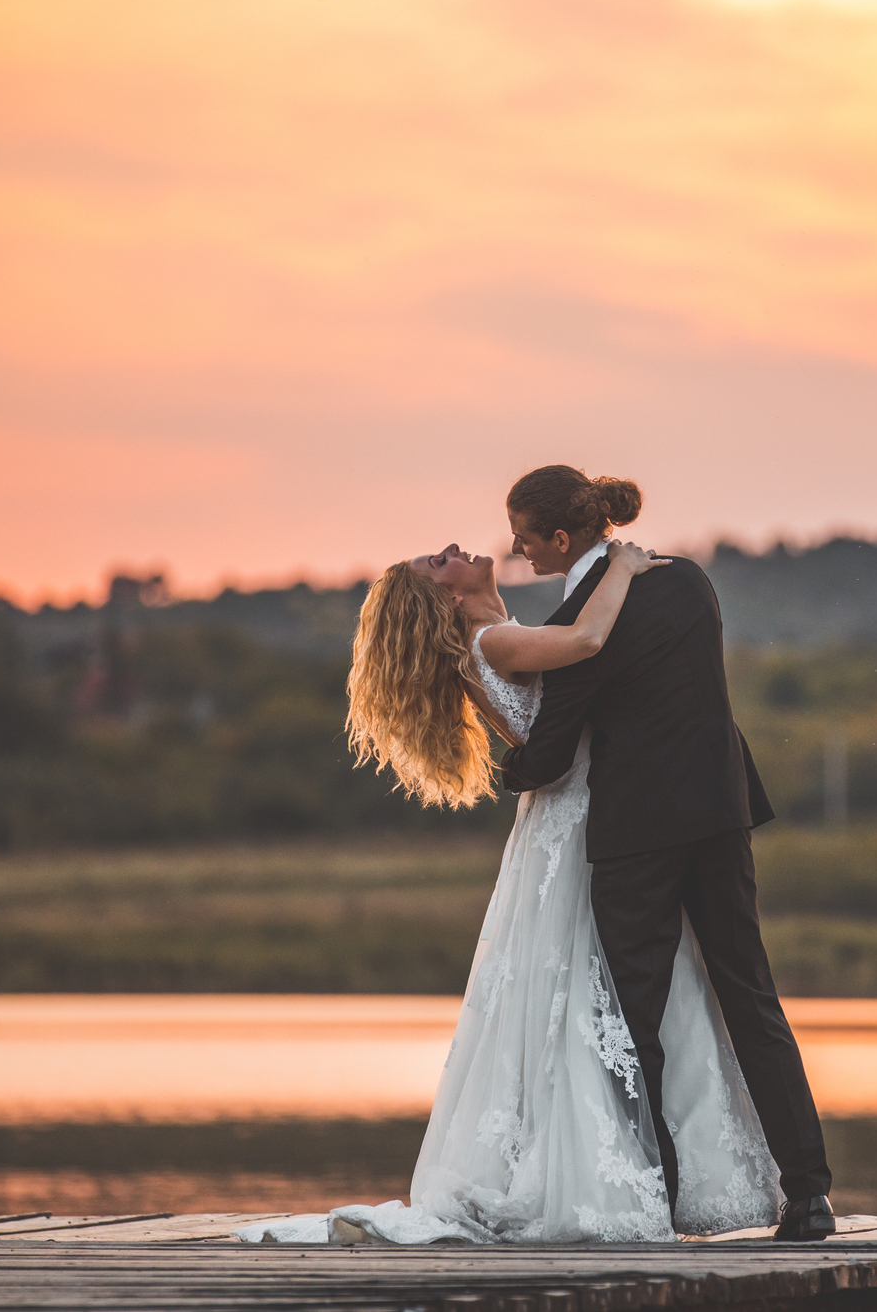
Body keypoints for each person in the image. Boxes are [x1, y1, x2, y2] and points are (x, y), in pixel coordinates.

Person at [239, 508, 782, 1246]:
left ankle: (623, 1169)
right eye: (437, 563)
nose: (452, 550)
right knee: (589, 1002)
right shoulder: (492, 639)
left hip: (592, 815)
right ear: (443, 600)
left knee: (592, 1001)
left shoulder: (497, 634)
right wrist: (620, 567)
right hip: (593, 818)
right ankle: (595, 1176)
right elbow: (589, 642)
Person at [499, 466, 833, 1242]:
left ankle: (657, 1195)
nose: (513, 546)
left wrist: (496, 770)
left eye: (522, 532)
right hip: (720, 812)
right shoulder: (688, 581)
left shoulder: (581, 617)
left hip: (637, 837)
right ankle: (810, 1192)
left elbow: (547, 758)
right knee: (750, 997)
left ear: (560, 537)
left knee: (631, 1018)